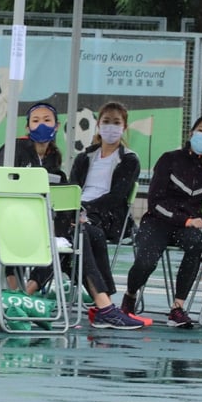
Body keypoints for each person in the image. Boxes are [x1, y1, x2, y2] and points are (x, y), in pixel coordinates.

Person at [121, 115, 202, 328]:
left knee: (195, 244)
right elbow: (155, 203)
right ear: (191, 133)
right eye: (201, 130)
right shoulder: (169, 159)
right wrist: (185, 221)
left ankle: (177, 308)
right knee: (146, 261)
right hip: (158, 221)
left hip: (188, 225)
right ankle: (130, 295)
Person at [69, 101, 144, 329]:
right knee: (80, 234)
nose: (110, 127)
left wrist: (86, 210)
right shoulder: (84, 157)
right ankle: (106, 305)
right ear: (98, 125)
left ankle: (26, 292)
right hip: (78, 213)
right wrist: (76, 209)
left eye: (116, 122)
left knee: (77, 236)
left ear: (124, 127)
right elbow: (72, 187)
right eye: (106, 122)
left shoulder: (129, 159)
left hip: (109, 217)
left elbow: (117, 197)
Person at [0, 102, 70, 296]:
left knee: (67, 240)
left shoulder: (54, 159)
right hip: (10, 216)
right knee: (16, 234)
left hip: (42, 221)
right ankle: (13, 288)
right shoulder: (13, 149)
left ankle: (27, 293)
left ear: (56, 126)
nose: (41, 125)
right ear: (27, 127)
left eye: (47, 120)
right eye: (35, 121)